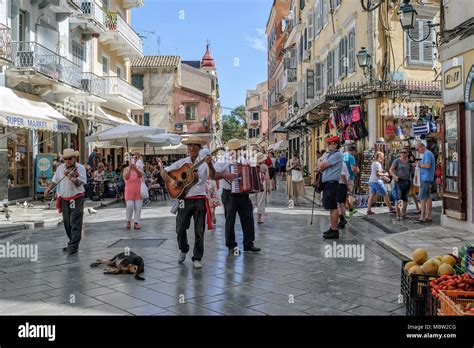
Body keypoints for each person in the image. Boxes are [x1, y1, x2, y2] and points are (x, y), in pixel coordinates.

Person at [161, 136, 218, 269]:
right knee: (180, 228)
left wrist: (210, 164)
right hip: (184, 200)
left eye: (194, 145)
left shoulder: (204, 163)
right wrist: (172, 181)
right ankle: (183, 248)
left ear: (199, 148)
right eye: (189, 145)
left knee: (199, 231)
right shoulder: (182, 163)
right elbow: (164, 172)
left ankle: (197, 257)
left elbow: (213, 176)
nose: (192, 148)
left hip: (199, 199)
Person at [214, 138, 261, 254]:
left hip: (243, 194)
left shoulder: (243, 159)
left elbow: (248, 172)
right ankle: (231, 245)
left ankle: (248, 244)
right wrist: (225, 174)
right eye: (237, 149)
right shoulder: (222, 159)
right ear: (230, 150)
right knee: (230, 220)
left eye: (240, 149)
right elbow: (213, 174)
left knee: (248, 218)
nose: (239, 150)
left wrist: (251, 184)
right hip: (229, 194)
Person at [44, 149, 87, 255]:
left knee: (75, 221)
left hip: (76, 198)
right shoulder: (60, 168)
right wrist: (48, 189)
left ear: (74, 158)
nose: (67, 161)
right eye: (65, 159)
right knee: (67, 223)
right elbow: (55, 180)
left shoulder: (80, 168)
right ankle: (72, 242)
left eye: (69, 159)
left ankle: (73, 245)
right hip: (64, 198)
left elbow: (80, 183)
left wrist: (71, 177)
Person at [318, 137, 344, 239]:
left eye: (330, 143)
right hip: (328, 184)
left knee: (333, 207)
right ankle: (332, 227)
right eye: (328, 143)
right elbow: (320, 166)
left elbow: (322, 165)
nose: (328, 145)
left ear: (335, 145)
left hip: (331, 184)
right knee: (330, 206)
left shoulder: (337, 155)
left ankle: (334, 230)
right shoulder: (330, 155)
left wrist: (322, 164)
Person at [414, 142, 435, 223]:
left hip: (425, 178)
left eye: (417, 149)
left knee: (422, 197)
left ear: (422, 147)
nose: (417, 151)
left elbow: (427, 165)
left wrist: (418, 165)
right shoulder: (428, 154)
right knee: (427, 197)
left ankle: (422, 216)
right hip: (427, 178)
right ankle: (428, 215)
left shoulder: (427, 153)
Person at [389, 149, 413, 219]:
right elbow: (391, 169)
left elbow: (412, 172)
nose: (403, 154)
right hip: (399, 181)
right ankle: (398, 214)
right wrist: (394, 176)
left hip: (407, 181)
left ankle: (404, 214)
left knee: (405, 198)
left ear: (407, 153)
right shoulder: (397, 160)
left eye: (404, 152)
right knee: (399, 198)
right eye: (401, 152)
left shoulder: (409, 162)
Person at [123, 160, 144, 230]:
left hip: (138, 192)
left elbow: (141, 175)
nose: (132, 162)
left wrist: (135, 169)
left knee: (138, 208)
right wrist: (130, 169)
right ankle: (128, 220)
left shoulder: (139, 168)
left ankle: (136, 222)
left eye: (133, 161)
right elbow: (126, 177)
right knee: (130, 206)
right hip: (129, 192)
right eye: (130, 161)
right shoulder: (126, 169)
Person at [254, 152, 271, 224]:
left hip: (253, 184)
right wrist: (268, 187)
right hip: (262, 183)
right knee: (261, 201)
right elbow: (267, 178)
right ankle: (259, 218)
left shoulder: (252, 165)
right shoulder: (264, 166)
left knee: (252, 201)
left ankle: (248, 216)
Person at [343, 145, 360, 215]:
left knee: (345, 194)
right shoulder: (351, 157)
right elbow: (353, 169)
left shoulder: (342, 155)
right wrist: (358, 170)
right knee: (348, 194)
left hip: (342, 178)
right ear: (353, 151)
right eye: (355, 152)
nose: (355, 153)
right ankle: (347, 211)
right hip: (349, 178)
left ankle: (349, 209)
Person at [337, 161, 350, 229]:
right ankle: (342, 222)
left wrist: (347, 185)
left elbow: (342, 175)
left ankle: (341, 218)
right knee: (342, 204)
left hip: (341, 185)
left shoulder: (341, 163)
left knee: (337, 203)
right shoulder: (343, 163)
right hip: (342, 185)